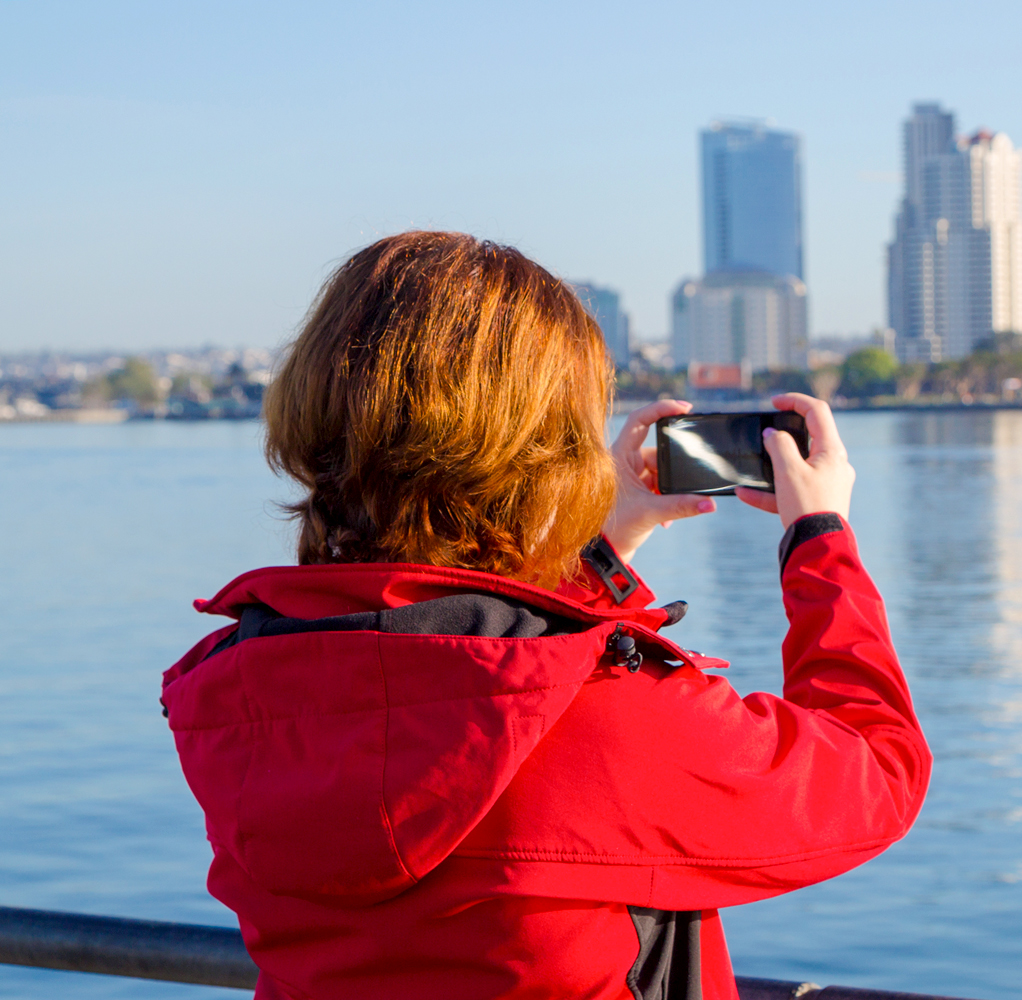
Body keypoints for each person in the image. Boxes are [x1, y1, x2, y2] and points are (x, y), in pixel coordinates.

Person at [160, 231, 931, 1000]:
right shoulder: (607, 723)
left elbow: (450, 650)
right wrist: (819, 538)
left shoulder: (242, 697)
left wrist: (597, 554)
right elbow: (876, 772)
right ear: (548, 453)